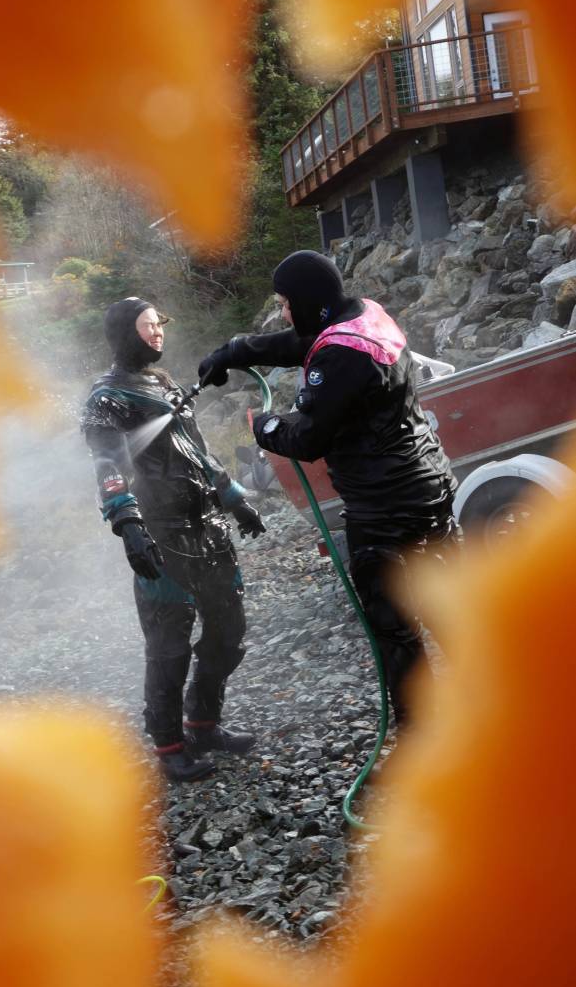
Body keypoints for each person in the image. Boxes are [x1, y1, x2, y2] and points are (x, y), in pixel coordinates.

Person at [198, 251, 460, 727]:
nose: (282, 312)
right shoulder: (365, 315)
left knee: (394, 627)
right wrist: (236, 351)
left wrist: (264, 426)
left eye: (284, 303)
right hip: (429, 485)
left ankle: (425, 746)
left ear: (308, 302)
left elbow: (308, 438)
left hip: (386, 508)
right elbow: (304, 341)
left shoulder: (340, 354)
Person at [81, 297, 265, 781]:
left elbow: (196, 451)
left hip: (207, 526)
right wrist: (128, 525)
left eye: (160, 323)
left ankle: (204, 723)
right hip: (159, 533)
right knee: (170, 645)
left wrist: (235, 499)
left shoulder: (161, 384)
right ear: (125, 334)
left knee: (228, 629)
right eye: (147, 326)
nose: (158, 332)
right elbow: (107, 465)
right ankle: (168, 746)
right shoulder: (107, 399)